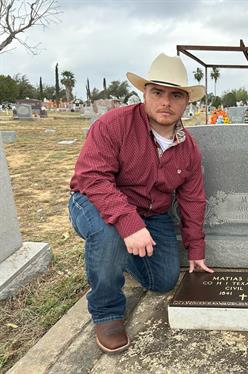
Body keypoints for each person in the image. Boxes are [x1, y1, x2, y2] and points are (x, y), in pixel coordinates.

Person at [68, 53, 213, 354]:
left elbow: (192, 199)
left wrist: (196, 250)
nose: (166, 102)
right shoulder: (114, 125)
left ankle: (124, 251)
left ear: (187, 101)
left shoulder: (188, 149)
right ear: (144, 93)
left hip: (151, 213)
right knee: (109, 234)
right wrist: (127, 224)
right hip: (93, 201)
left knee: (163, 280)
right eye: (157, 92)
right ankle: (107, 312)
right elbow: (92, 177)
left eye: (176, 95)